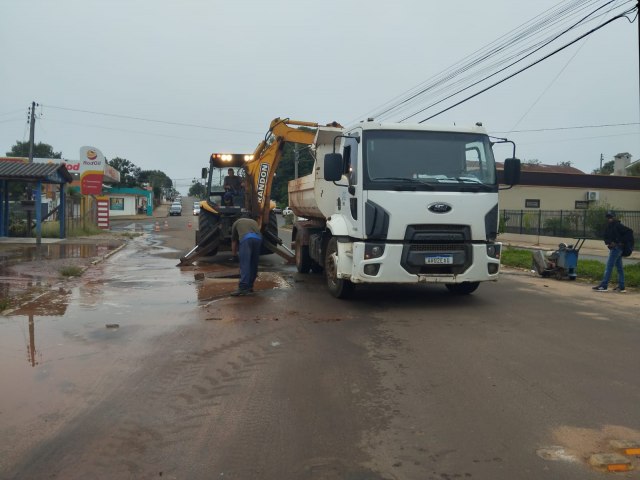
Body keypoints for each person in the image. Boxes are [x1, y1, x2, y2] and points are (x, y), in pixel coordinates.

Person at [592, 211, 627, 292]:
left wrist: (618, 243)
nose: (609, 219)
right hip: (616, 249)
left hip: (616, 249)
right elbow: (606, 236)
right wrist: (609, 242)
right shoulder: (610, 226)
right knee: (619, 268)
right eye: (608, 217)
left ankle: (604, 286)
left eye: (611, 217)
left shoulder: (618, 225)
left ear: (614, 217)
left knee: (609, 267)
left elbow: (628, 234)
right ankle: (621, 287)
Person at [230, 216, 262, 296]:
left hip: (247, 239)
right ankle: (250, 286)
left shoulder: (236, 223)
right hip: (258, 239)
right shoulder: (253, 221)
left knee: (245, 264)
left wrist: (234, 255)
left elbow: (234, 241)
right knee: (253, 264)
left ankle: (243, 288)